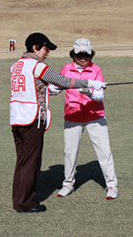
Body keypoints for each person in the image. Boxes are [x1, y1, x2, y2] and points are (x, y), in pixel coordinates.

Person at [10, 33, 106, 213]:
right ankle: (27, 203)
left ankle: (19, 200)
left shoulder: (15, 65)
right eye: (46, 48)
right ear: (35, 47)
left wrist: (49, 90)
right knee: (31, 162)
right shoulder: (37, 65)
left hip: (16, 118)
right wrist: (91, 82)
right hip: (32, 119)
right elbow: (62, 80)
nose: (48, 53)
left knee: (22, 161)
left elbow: (37, 87)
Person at [49, 38, 119, 200]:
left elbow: (100, 96)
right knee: (70, 152)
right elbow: (56, 88)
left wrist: (88, 92)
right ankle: (68, 184)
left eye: (86, 55)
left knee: (104, 151)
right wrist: (49, 88)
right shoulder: (66, 69)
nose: (82, 58)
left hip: (95, 116)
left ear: (90, 55)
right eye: (79, 54)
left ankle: (112, 185)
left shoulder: (96, 70)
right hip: (73, 115)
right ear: (73, 54)